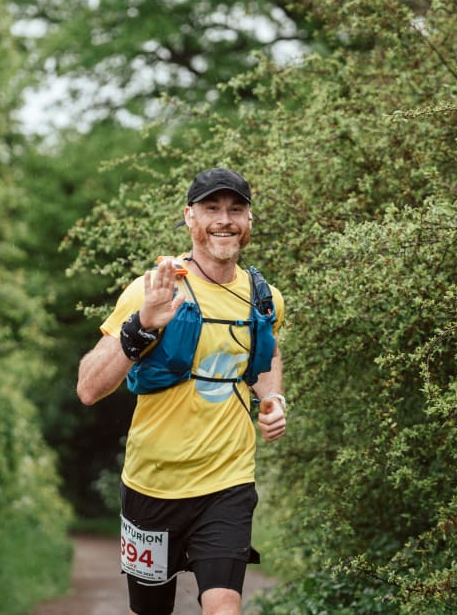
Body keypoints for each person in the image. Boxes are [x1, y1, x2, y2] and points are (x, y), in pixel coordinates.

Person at [76, 167, 287, 615]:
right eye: (212, 208)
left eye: (236, 209)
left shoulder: (264, 296)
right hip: (152, 483)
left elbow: (266, 355)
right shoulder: (154, 289)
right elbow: (89, 388)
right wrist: (142, 325)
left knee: (224, 606)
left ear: (249, 220)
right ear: (190, 217)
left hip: (227, 480)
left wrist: (273, 399)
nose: (224, 220)